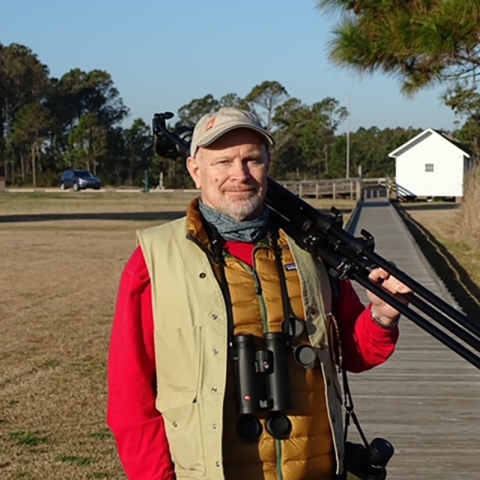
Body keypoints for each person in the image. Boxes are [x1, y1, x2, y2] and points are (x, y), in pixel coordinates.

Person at [107, 107, 410, 480]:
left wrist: (380, 316)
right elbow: (130, 398)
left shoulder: (312, 250)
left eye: (252, 159)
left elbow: (352, 351)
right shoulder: (153, 261)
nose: (240, 174)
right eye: (223, 162)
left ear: (268, 164)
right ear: (195, 170)